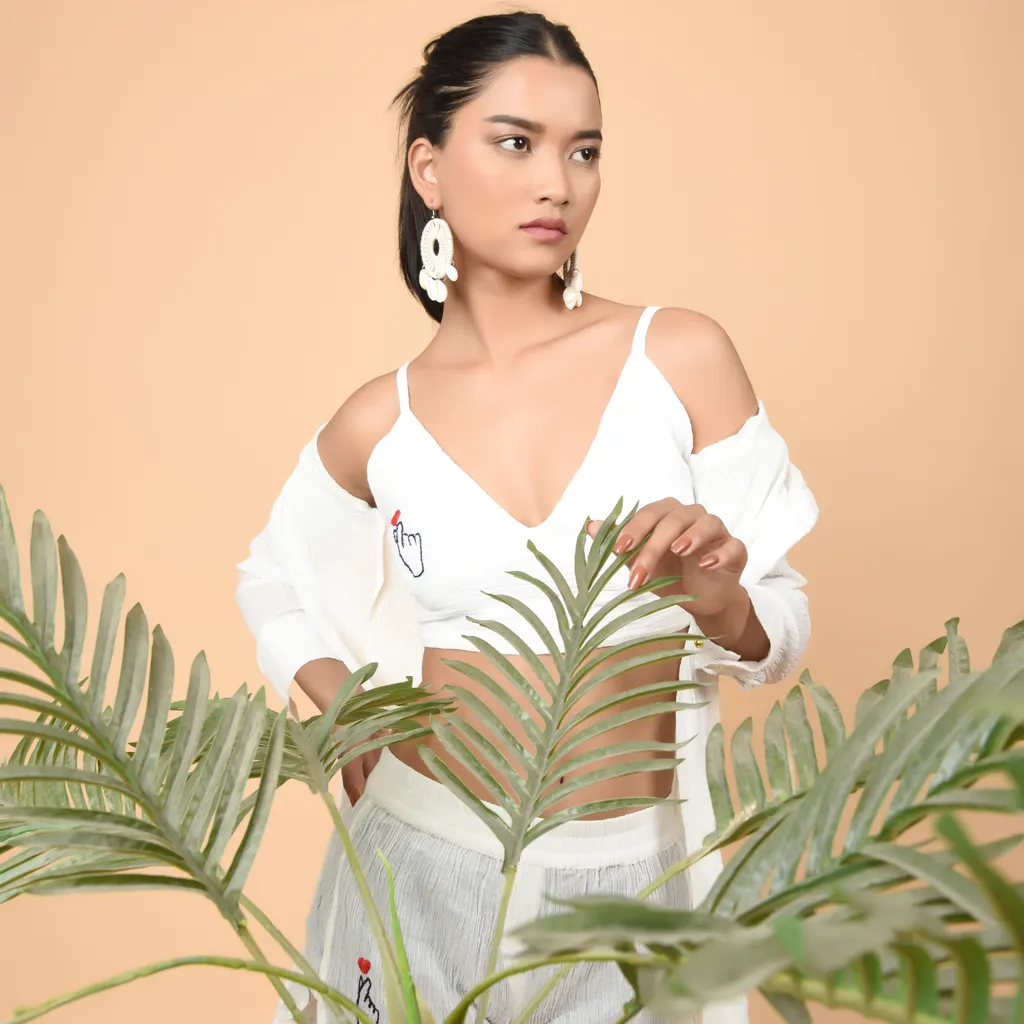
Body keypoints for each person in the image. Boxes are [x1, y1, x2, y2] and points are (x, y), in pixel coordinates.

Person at [234, 11, 818, 1024]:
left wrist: (721, 602)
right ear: (429, 168)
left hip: (630, 884)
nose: (559, 182)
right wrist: (341, 705)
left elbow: (782, 634)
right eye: (517, 143)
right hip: (417, 866)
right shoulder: (383, 419)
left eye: (583, 151)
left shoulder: (677, 357)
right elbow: (272, 577)